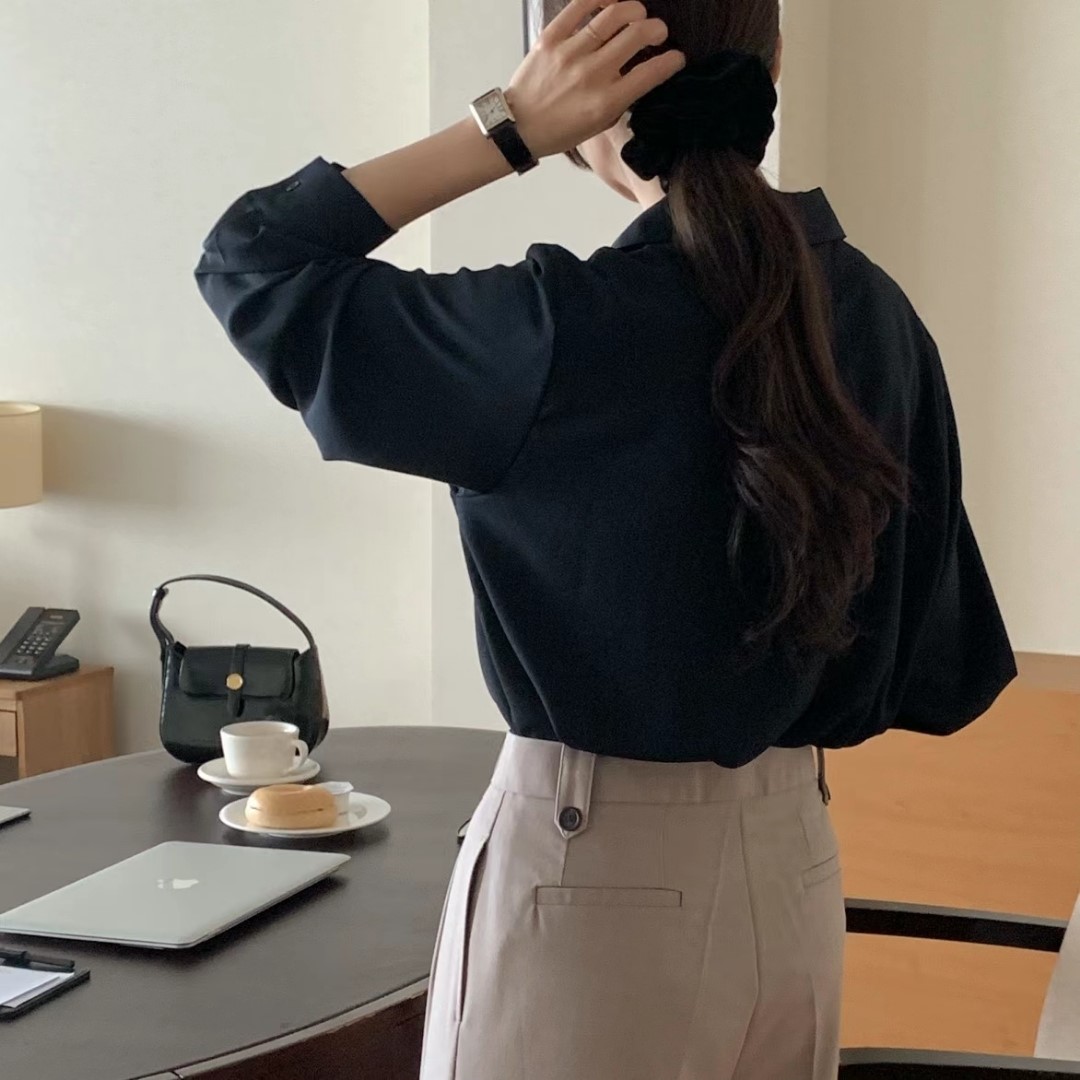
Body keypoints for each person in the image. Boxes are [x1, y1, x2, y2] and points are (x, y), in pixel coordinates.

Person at [194, 0, 1017, 1075]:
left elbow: (254, 261)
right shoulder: (875, 312)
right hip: (796, 867)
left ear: (570, 72)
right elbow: (944, 665)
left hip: (591, 878)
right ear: (772, 59)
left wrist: (506, 125)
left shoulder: (558, 330)